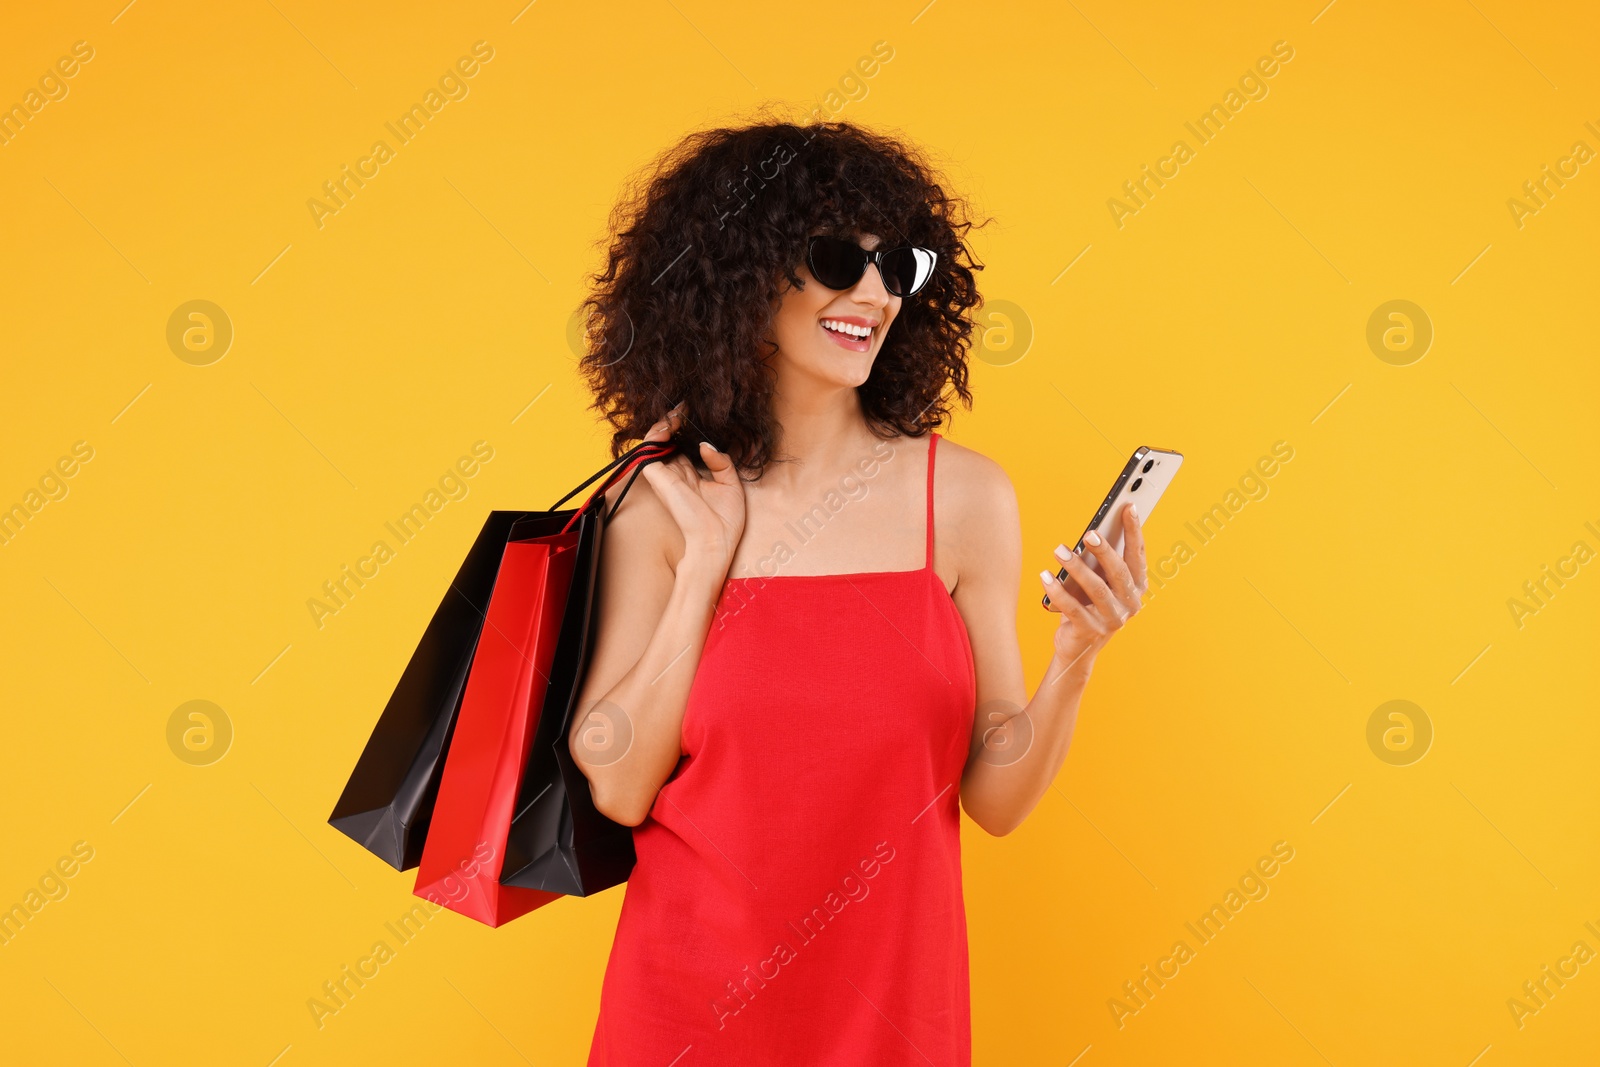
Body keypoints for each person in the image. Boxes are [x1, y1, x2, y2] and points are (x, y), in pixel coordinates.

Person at [567, 120, 1146, 1065]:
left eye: (898, 267)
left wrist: (1073, 662)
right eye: (839, 259)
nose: (873, 294)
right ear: (742, 275)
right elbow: (622, 785)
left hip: (895, 1018)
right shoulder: (663, 501)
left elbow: (994, 801)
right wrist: (705, 567)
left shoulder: (963, 499)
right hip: (684, 1019)